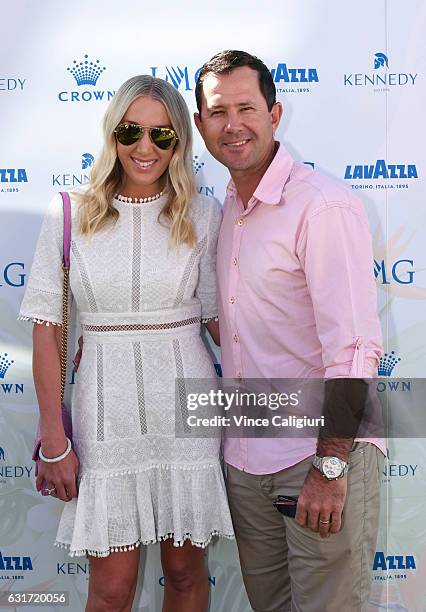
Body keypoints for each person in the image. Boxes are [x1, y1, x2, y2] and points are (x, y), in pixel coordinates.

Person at [19, 74, 234, 612]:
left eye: (162, 135)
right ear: (112, 132)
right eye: (131, 131)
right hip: (104, 416)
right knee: (111, 589)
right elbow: (45, 329)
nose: (144, 147)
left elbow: (218, 321)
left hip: (187, 412)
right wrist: (53, 438)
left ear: (180, 141)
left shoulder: (203, 216)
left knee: (186, 575)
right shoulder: (70, 212)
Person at [194, 50, 385, 612]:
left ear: (275, 114)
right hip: (248, 459)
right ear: (201, 124)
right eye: (217, 111)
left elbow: (353, 351)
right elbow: (237, 326)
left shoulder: (322, 206)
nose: (232, 125)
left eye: (246, 108)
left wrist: (330, 467)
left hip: (317, 456)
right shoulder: (227, 206)